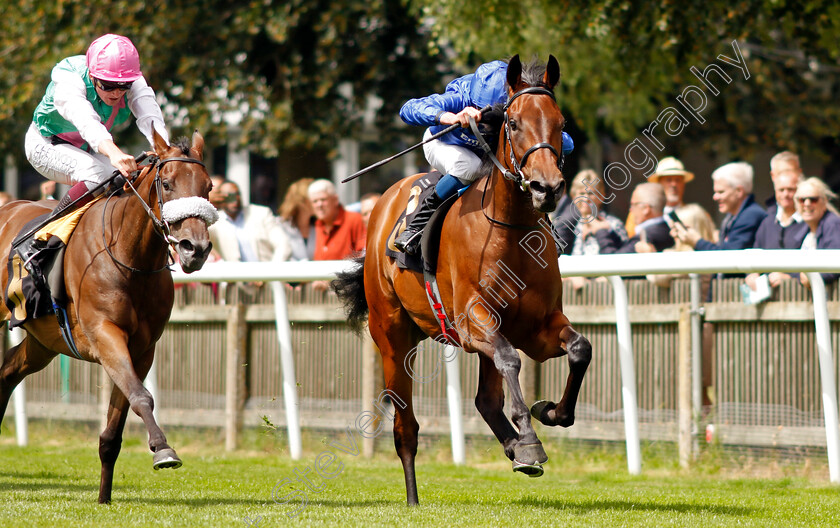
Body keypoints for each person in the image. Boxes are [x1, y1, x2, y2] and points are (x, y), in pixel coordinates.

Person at [16, 34, 169, 282]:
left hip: (88, 149)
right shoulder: (67, 77)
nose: (117, 92)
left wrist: (166, 151)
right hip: (45, 144)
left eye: (124, 87)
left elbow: (150, 116)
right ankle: (41, 242)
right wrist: (115, 153)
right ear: (92, 75)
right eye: (108, 86)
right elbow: (86, 121)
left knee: (134, 179)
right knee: (100, 174)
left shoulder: (132, 80)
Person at [394, 58, 574, 255]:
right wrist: (450, 117)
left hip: (485, 153)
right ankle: (417, 225)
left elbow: (566, 144)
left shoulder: (517, 101)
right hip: (444, 143)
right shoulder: (459, 96)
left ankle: (546, 225)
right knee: (469, 166)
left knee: (518, 170)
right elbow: (408, 109)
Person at [672, 162, 766, 252]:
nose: (715, 197)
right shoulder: (735, 216)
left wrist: (696, 242)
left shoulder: (750, 216)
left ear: (739, 191)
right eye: (715, 192)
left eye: (721, 192)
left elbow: (728, 257)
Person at [744, 170, 808, 291]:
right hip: (769, 299)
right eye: (781, 190)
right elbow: (755, 254)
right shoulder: (767, 223)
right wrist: (751, 274)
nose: (785, 194)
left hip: (800, 296)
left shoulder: (809, 222)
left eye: (791, 189)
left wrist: (790, 277)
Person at [209, 180, 291, 263]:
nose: (235, 200)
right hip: (235, 274)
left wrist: (272, 271)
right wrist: (208, 201)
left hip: (266, 271)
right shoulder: (215, 222)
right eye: (229, 196)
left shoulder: (261, 214)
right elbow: (198, 236)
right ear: (219, 198)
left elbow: (283, 245)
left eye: (237, 194)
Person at [308, 179, 366, 292]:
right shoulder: (317, 225)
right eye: (315, 201)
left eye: (323, 200)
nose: (319, 205)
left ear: (335, 200)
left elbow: (362, 259)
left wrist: (331, 280)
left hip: (349, 290)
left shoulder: (354, 220)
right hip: (321, 293)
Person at [593, 182, 674, 254]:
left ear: (646, 209)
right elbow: (624, 249)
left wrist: (601, 231)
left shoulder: (646, 237)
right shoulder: (664, 229)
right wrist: (611, 233)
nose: (630, 209)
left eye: (633, 204)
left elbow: (612, 264)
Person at [794, 177, 840, 288]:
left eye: (813, 199)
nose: (807, 203)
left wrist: (811, 277)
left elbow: (835, 265)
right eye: (802, 199)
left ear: (824, 202)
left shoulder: (833, 224)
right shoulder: (803, 230)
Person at [277, 178, 316, 261]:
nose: (319, 203)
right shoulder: (279, 226)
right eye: (315, 199)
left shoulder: (319, 226)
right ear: (303, 201)